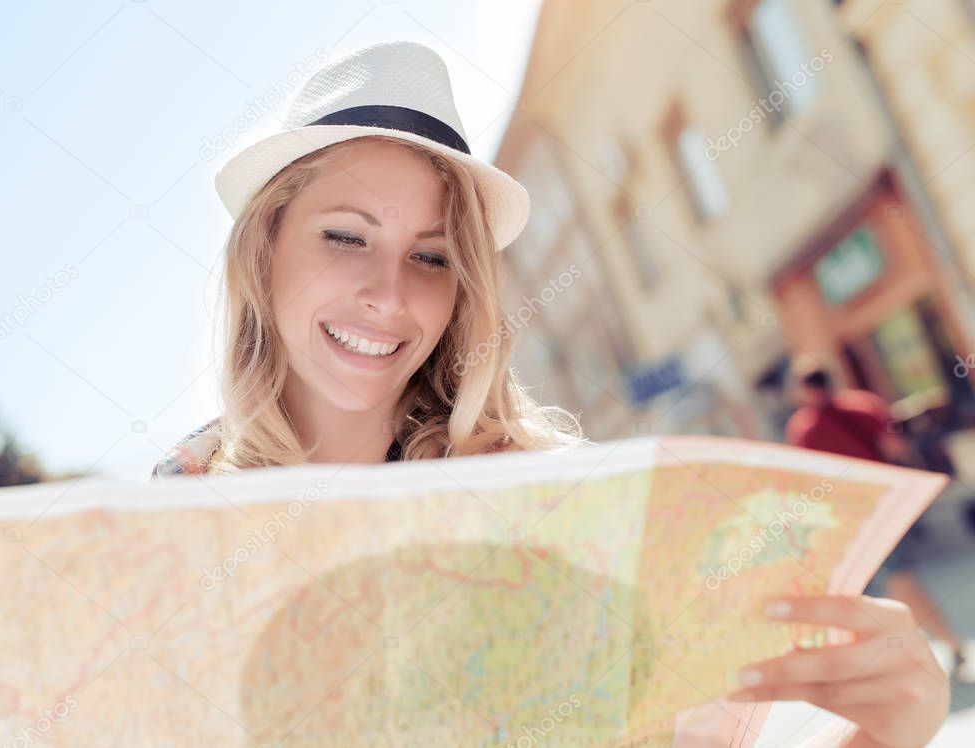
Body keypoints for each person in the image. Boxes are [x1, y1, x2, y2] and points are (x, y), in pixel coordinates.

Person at [153, 42, 950, 746]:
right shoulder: (175, 526)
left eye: (431, 258)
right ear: (265, 253)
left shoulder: (549, 502)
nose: (388, 296)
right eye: (346, 236)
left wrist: (883, 736)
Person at [786, 361, 974, 683]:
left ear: (804, 391)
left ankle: (927, 653)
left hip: (849, 519)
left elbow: (807, 480)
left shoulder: (803, 428)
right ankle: (944, 646)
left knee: (887, 585)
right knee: (896, 582)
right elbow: (896, 448)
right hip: (887, 505)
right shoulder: (864, 404)